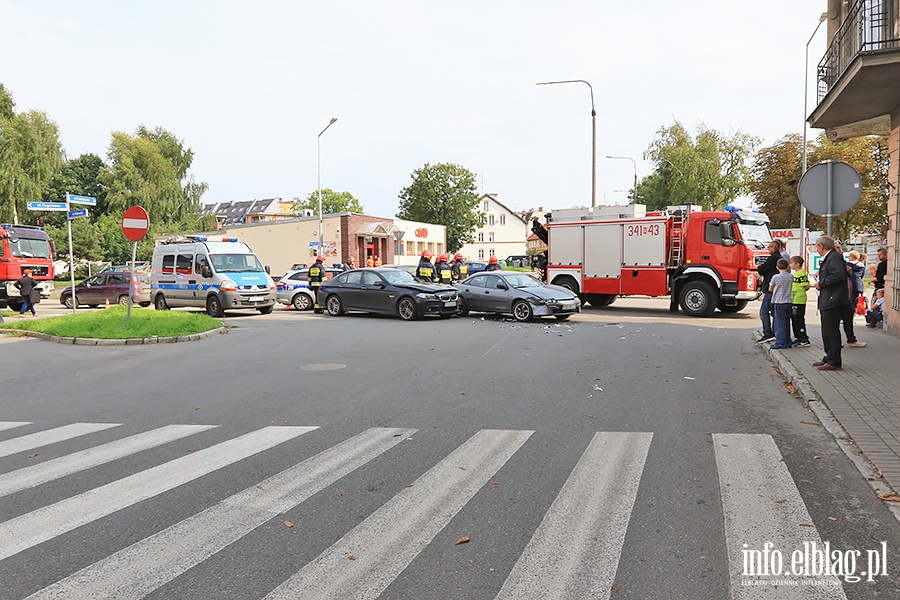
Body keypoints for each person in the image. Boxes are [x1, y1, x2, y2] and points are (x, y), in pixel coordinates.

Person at [813, 236, 848, 371]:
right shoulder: (830, 257)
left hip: (833, 299)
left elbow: (838, 275)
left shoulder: (833, 257)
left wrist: (821, 283)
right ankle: (829, 356)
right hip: (829, 298)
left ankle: (834, 360)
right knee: (827, 330)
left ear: (821, 246)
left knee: (831, 330)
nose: (816, 249)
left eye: (817, 246)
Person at [756, 241, 781, 344]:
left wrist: (760, 267)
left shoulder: (773, 258)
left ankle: (768, 333)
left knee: (764, 311)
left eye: (769, 247)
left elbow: (761, 269)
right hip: (776, 289)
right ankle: (775, 332)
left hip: (770, 288)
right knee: (774, 312)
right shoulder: (779, 257)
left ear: (774, 248)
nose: (768, 249)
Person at [768, 259, 794, 350]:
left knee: (780, 323)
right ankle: (787, 340)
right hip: (788, 301)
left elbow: (770, 289)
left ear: (777, 267)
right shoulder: (791, 276)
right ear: (787, 267)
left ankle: (780, 341)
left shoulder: (775, 277)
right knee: (786, 322)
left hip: (779, 302)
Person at [789, 255, 810, 347]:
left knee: (799, 319)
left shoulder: (801, 273)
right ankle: (798, 337)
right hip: (795, 299)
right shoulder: (796, 273)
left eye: (791, 263)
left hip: (799, 299)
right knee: (794, 319)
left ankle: (804, 339)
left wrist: (800, 292)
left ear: (797, 264)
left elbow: (806, 286)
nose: (790, 265)